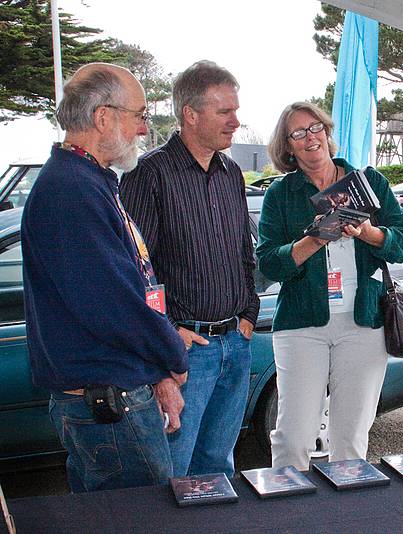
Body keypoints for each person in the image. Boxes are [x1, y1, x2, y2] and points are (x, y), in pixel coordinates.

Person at [21, 63, 187, 492]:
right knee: (146, 519)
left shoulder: (85, 180)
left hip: (112, 393)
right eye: (140, 115)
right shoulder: (72, 189)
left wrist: (160, 374)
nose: (144, 130)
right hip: (108, 404)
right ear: (103, 117)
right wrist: (172, 353)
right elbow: (114, 305)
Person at [256, 102, 403, 470]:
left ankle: (345, 518)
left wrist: (369, 233)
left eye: (315, 128)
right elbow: (267, 263)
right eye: (298, 133)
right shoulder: (279, 195)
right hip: (301, 326)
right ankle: (291, 517)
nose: (310, 138)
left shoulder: (369, 182)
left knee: (350, 437)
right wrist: (313, 239)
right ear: (287, 147)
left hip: (363, 323)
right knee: (294, 436)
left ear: (327, 133)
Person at [120, 60, 258, 478]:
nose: (236, 121)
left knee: (218, 469)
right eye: (225, 112)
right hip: (185, 352)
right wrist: (168, 331)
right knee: (174, 475)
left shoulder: (232, 172)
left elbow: (242, 252)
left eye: (236, 110)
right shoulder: (149, 173)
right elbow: (136, 267)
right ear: (190, 114)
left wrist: (248, 315)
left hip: (236, 344)